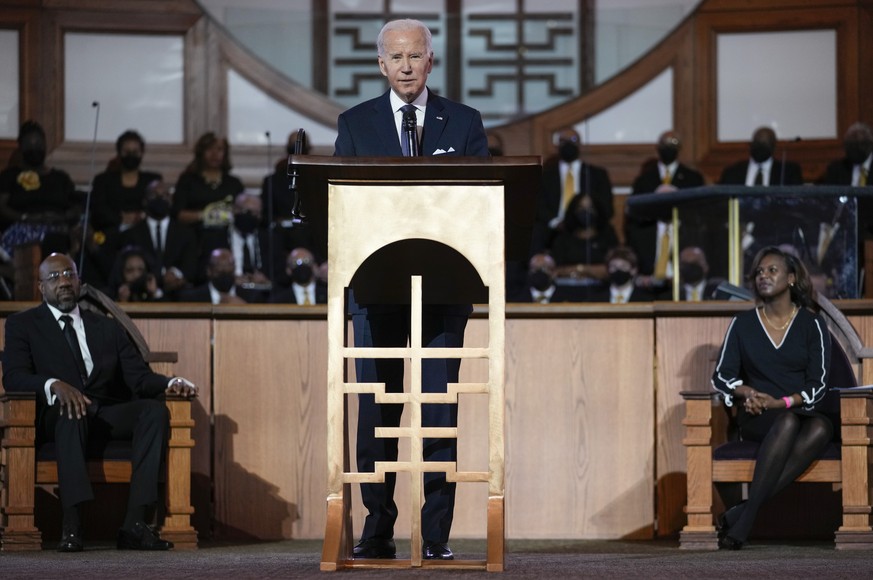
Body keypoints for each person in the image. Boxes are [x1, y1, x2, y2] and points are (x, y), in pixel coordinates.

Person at [333, 18, 489, 561]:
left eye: (414, 56)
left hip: (444, 291)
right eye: (395, 57)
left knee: (440, 412)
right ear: (380, 64)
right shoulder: (355, 125)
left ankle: (436, 536)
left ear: (430, 62)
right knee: (377, 414)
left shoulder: (464, 123)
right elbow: (342, 210)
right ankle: (377, 531)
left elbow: (481, 206)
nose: (405, 65)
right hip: (375, 291)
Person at [1, 253, 198, 552]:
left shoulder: (105, 327)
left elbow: (139, 378)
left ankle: (135, 525)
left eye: (69, 274)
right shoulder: (23, 324)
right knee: (71, 410)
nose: (64, 281)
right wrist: (53, 384)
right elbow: (14, 377)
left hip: (103, 414)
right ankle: (72, 522)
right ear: (41, 288)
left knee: (154, 411)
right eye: (54, 277)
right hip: (55, 418)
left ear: (79, 281)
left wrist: (171, 383)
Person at [711, 246, 832, 550]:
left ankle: (744, 514)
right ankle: (745, 519)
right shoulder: (743, 324)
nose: (763, 276)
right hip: (758, 417)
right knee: (790, 423)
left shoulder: (812, 324)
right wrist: (749, 393)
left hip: (800, 410)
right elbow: (721, 377)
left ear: (791, 278)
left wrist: (783, 402)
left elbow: (818, 384)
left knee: (819, 426)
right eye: (759, 272)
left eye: (772, 270)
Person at [625, 131, 703, 296]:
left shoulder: (692, 179)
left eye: (673, 144)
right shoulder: (644, 181)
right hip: (648, 288)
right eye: (665, 145)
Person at [0, 121, 78, 260]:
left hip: (56, 228)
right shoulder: (10, 176)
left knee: (57, 240)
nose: (34, 148)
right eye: (29, 144)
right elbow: (2, 207)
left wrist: (59, 218)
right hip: (22, 228)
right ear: (21, 147)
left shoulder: (60, 178)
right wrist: (26, 218)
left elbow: (75, 208)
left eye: (39, 144)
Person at [532, 127, 613, 254]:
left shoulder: (597, 175)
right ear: (556, 146)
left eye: (573, 139)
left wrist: (587, 221)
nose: (568, 144)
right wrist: (556, 223)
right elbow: (538, 206)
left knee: (608, 232)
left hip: (587, 225)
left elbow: (606, 207)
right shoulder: (545, 176)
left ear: (580, 145)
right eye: (563, 140)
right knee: (535, 232)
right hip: (554, 228)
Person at [120, 179, 198, 299]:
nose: (160, 198)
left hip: (179, 294)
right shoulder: (132, 234)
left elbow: (191, 264)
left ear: (171, 200)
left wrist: (175, 274)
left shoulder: (186, 233)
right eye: (154, 195)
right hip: (142, 295)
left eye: (164, 195)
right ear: (145, 200)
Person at [172, 132, 245, 240]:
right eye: (210, 149)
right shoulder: (188, 180)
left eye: (219, 149)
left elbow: (242, 212)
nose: (214, 154)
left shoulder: (234, 182)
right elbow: (178, 214)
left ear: (225, 153)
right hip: (194, 236)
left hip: (228, 237)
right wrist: (205, 215)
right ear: (201, 152)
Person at [90, 130, 162, 232]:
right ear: (119, 153)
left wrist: (139, 216)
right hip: (111, 232)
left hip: (144, 233)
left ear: (142, 153)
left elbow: (159, 208)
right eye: (126, 151)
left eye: (135, 152)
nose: (131, 155)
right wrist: (120, 218)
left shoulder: (152, 180)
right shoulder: (103, 180)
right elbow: (98, 210)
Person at [549, 192, 619, 284]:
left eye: (590, 208)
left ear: (597, 210)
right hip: (566, 287)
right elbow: (556, 271)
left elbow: (611, 269)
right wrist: (591, 270)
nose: (585, 212)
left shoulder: (607, 236)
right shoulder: (563, 238)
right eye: (581, 208)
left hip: (601, 290)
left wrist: (579, 268)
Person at [719, 126, 803, 186]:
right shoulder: (732, 172)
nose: (760, 150)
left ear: (773, 147)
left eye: (765, 145)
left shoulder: (787, 172)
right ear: (751, 145)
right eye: (758, 144)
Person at [177, 248, 246, 305]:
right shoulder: (190, 299)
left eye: (229, 273)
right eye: (221, 273)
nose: (225, 278)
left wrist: (243, 307)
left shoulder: (251, 297)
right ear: (209, 271)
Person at [588, 246, 653, 303]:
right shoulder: (595, 300)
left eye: (623, 266)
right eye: (614, 266)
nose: (618, 270)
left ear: (633, 270)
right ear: (608, 269)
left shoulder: (647, 300)